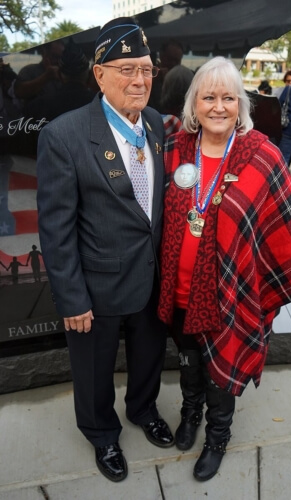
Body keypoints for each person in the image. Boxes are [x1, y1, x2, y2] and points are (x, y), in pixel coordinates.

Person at [158, 56, 291, 482]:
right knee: (188, 359)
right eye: (208, 97)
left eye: (229, 97)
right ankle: (190, 414)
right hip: (179, 289)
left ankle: (217, 437)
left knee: (219, 370)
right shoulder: (175, 148)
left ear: (240, 104)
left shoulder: (261, 155)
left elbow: (284, 228)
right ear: (195, 103)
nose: (218, 106)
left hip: (232, 290)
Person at [36, 17, 174, 484]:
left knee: (150, 355)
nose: (140, 80)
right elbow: (56, 228)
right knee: (94, 372)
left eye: (146, 69)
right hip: (96, 286)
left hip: (150, 277)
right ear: (99, 73)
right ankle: (101, 433)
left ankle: (143, 409)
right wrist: (72, 298)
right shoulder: (65, 136)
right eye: (126, 69)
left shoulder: (154, 123)